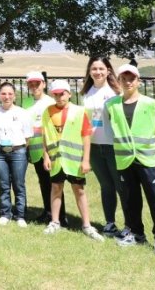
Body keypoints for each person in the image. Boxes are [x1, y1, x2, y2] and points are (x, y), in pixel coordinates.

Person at [110, 64, 155, 257]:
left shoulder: (150, 103)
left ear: (138, 81)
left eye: (132, 79)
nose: (128, 82)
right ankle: (137, 233)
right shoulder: (111, 105)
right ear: (118, 81)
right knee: (131, 200)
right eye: (124, 79)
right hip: (125, 160)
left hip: (147, 160)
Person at [41, 80, 104, 241]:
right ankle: (55, 221)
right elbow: (45, 135)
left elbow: (86, 136)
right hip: (56, 160)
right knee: (56, 188)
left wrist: (86, 160)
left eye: (62, 93)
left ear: (69, 94)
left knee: (79, 190)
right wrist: (46, 156)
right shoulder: (47, 111)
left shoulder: (79, 111)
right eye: (56, 94)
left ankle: (86, 225)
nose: (59, 97)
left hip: (74, 160)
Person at [80, 56, 127, 238]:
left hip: (112, 146)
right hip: (94, 146)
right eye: (94, 69)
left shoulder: (116, 92)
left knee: (121, 186)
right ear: (89, 72)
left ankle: (129, 224)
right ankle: (110, 223)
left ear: (108, 71)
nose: (98, 72)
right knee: (106, 186)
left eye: (101, 68)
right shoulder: (86, 92)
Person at [22, 71, 63, 225]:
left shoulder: (50, 102)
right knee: (43, 183)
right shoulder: (26, 102)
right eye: (31, 84)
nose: (34, 87)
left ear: (44, 84)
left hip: (49, 150)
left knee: (55, 183)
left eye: (37, 83)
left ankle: (60, 216)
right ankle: (48, 211)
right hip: (33, 149)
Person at [0, 82, 32, 227]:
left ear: (14, 96)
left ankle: (20, 215)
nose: (6, 96)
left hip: (18, 152)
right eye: (3, 93)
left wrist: (18, 149)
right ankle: (5, 213)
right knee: (3, 184)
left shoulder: (22, 113)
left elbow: (27, 136)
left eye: (9, 94)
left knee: (19, 184)